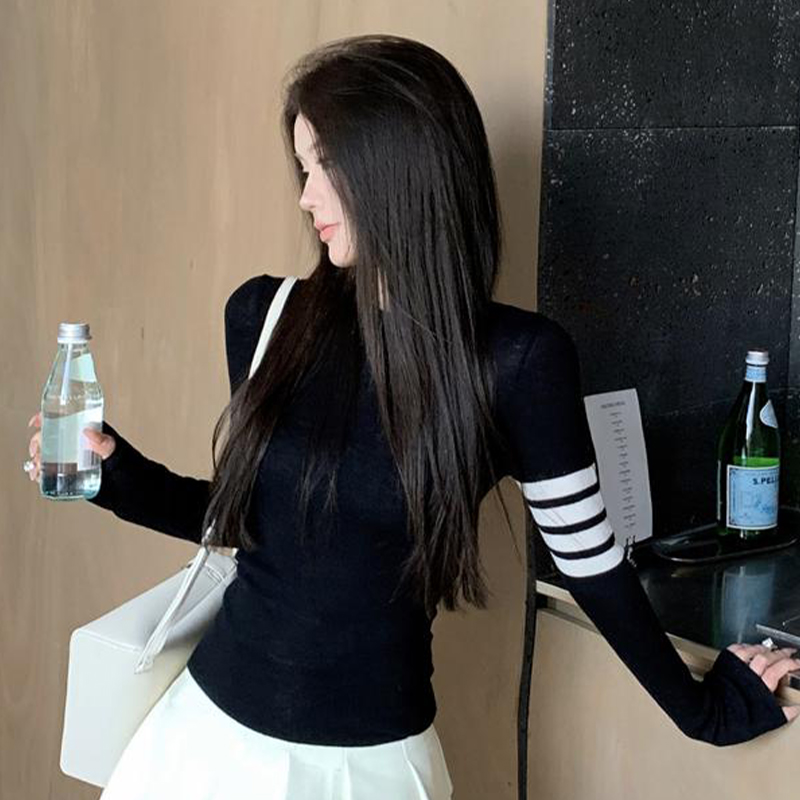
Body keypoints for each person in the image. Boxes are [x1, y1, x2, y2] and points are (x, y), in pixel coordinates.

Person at [26, 33, 799, 800]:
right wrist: (118, 478)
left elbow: (590, 565)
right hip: (200, 747)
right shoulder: (265, 316)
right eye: (302, 169)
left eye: (324, 165)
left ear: (396, 165)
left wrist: (705, 712)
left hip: (367, 772)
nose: (306, 197)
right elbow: (258, 524)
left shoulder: (519, 361)